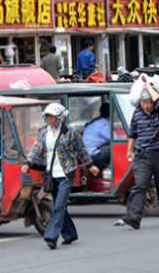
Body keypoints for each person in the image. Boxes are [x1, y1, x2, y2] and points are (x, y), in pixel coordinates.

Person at [21, 103, 98, 250]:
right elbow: (37, 149)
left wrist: (90, 165)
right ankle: (70, 234)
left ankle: (51, 236)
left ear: (59, 118)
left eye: (51, 117)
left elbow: (81, 150)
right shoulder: (44, 133)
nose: (48, 119)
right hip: (50, 174)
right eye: (47, 116)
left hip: (66, 174)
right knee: (60, 206)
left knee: (58, 206)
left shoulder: (70, 132)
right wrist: (28, 162)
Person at [120, 79, 159, 230]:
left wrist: (147, 86)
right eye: (144, 102)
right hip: (143, 155)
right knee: (140, 185)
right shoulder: (137, 114)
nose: (147, 105)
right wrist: (129, 150)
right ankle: (134, 217)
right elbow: (133, 133)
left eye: (149, 102)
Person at [82, 103, 111, 172]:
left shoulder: (97, 122)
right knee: (111, 149)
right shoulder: (103, 124)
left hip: (86, 154)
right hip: (91, 156)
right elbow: (114, 138)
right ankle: (110, 171)